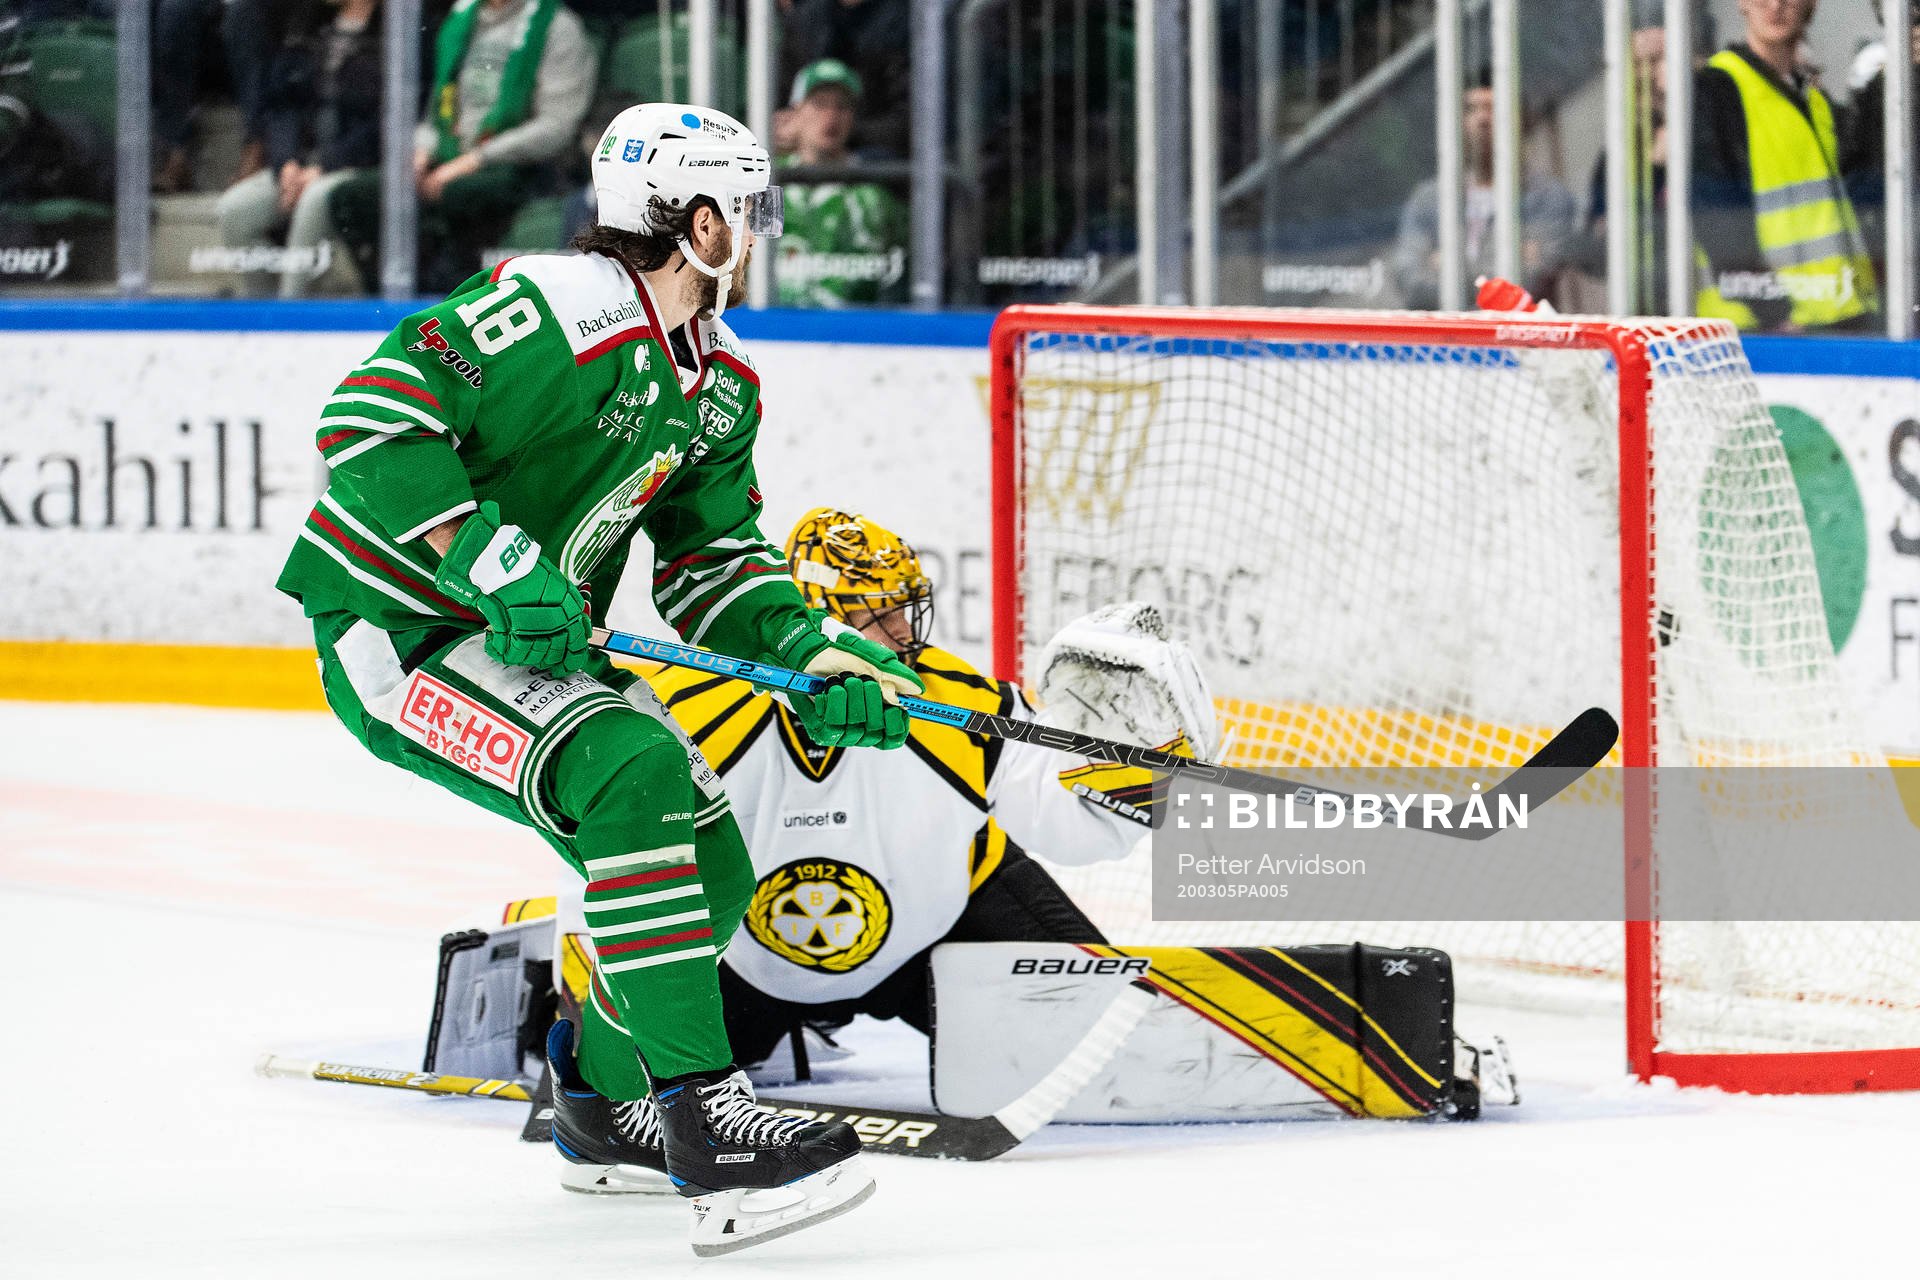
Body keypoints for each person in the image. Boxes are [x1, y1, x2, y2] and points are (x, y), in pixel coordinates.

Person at [275, 102, 915, 1257]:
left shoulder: (719, 381)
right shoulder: (554, 311)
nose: (761, 234)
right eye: (752, 212)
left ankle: (604, 1110)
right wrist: (480, 552)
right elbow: (368, 417)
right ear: (702, 222)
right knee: (631, 771)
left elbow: (714, 560)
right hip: (397, 631)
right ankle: (706, 1123)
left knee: (714, 864)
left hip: (531, 647)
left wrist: (812, 652)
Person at [545, 509, 1222, 1193]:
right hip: (744, 974)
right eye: (878, 613)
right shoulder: (692, 708)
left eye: (906, 608)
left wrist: (1151, 770)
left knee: (1111, 1038)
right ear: (812, 618)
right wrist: (588, 962)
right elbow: (623, 852)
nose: (902, 632)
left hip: (939, 943)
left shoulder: (955, 701)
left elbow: (1069, 824)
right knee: (624, 1066)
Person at [328, 0, 594, 292]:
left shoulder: (559, 27)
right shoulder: (461, 20)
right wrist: (421, 152)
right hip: (448, 160)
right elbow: (435, 111)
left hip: (519, 168)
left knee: (460, 197)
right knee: (352, 197)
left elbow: (556, 127)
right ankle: (388, 299)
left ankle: (446, 295)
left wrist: (476, 159)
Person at [1691, 0, 1878, 332]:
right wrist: (1775, 313)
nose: (1775, 6)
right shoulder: (1718, 88)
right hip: (1763, 327)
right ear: (1742, 3)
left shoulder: (1811, 96)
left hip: (1834, 313)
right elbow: (1714, 213)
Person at [214, 0, 382, 298]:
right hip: (300, 165)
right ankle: (264, 315)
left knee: (314, 200)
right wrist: (286, 163)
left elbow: (387, 125)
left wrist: (325, 166)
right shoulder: (306, 23)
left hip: (361, 167)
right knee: (234, 210)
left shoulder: (399, 32)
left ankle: (292, 316)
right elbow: (282, 106)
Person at [1391, 74, 1579, 311]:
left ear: (1518, 120)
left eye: (1493, 108)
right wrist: (1500, 268)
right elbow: (1409, 279)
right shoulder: (1429, 197)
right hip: (1443, 341)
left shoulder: (1548, 197)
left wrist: (1445, 264)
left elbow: (1527, 284)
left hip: (1517, 343)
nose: (1482, 118)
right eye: (1472, 109)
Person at [771, 59, 909, 307]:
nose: (831, 116)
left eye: (842, 107)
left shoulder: (873, 196)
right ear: (795, 112)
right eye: (819, 104)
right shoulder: (766, 181)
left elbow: (896, 277)